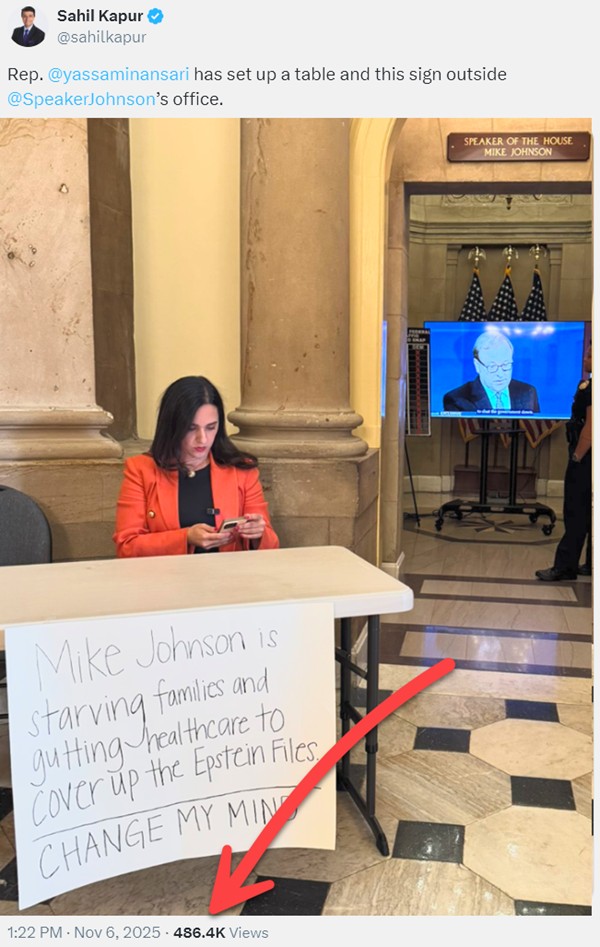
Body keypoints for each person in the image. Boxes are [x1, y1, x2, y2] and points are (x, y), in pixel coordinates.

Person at [114, 376, 279, 557]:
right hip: (167, 574)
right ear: (172, 427)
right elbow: (127, 547)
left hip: (229, 573)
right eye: (191, 428)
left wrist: (258, 534)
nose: (203, 439)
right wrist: (185, 538)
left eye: (211, 427)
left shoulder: (242, 470)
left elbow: (271, 547)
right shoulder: (140, 470)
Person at [536, 341, 592, 581]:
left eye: (590, 355)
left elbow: (590, 428)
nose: (585, 358)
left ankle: (565, 566)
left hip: (586, 458)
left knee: (576, 511)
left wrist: (577, 456)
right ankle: (591, 563)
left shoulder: (591, 390)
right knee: (591, 512)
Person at [443, 330, 540, 413]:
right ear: (477, 365)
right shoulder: (457, 399)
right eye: (492, 366)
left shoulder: (528, 392)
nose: (500, 374)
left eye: (506, 365)